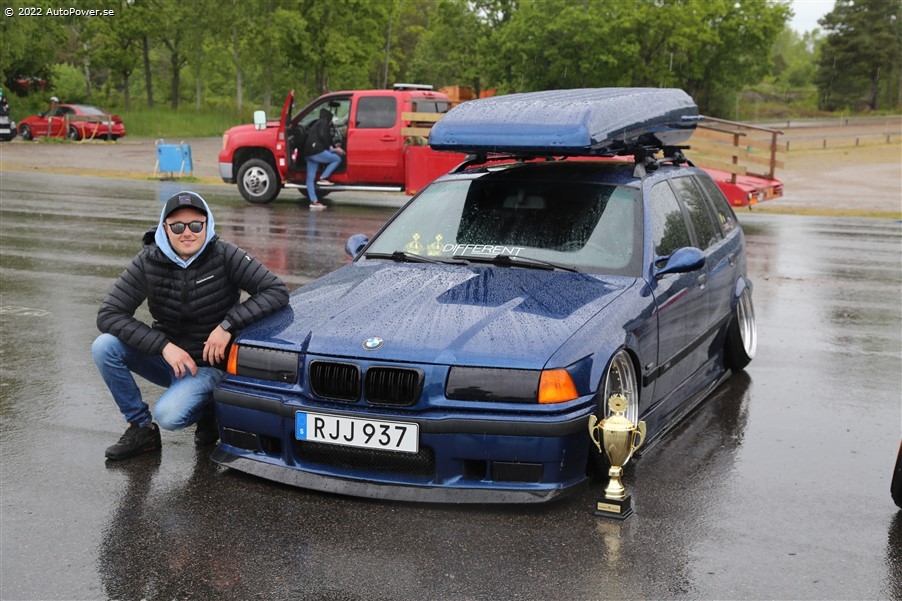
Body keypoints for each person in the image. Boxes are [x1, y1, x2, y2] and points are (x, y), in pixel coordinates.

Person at [92, 191, 289, 461]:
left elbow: (275, 291)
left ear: (207, 225)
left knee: (168, 416)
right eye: (178, 226)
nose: (188, 233)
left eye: (196, 225)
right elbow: (109, 313)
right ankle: (141, 428)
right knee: (104, 346)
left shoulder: (224, 254)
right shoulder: (148, 261)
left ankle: (210, 408)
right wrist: (163, 346)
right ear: (165, 228)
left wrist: (227, 326)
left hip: (208, 366)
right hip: (168, 360)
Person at [303, 108, 345, 210]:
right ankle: (323, 177)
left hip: (308, 154)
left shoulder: (316, 124)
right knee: (337, 159)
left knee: (310, 178)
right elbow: (324, 138)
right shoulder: (323, 123)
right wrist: (335, 149)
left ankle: (314, 201)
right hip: (316, 152)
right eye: (330, 120)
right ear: (328, 119)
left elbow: (322, 141)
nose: (331, 123)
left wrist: (333, 148)